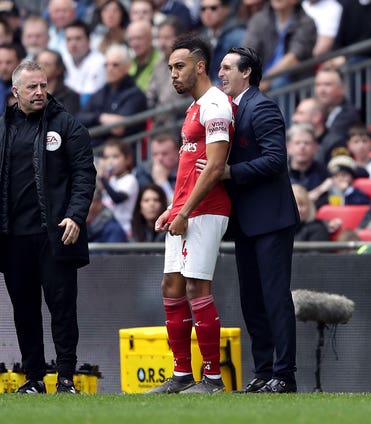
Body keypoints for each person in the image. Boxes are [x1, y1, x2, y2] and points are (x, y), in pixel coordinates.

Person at [0, 60, 96, 394]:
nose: (40, 92)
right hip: (13, 238)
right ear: (15, 92)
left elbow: (85, 175)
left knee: (62, 310)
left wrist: (75, 214)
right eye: (32, 87)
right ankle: (34, 379)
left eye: (44, 85)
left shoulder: (68, 126)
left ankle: (67, 379)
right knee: (24, 312)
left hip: (55, 235)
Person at [145, 36, 233, 395]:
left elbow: (214, 167)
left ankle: (212, 379)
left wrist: (187, 210)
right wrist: (173, 207)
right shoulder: (195, 107)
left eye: (178, 67)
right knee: (171, 285)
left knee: (197, 286)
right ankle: (182, 374)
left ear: (200, 66)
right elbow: (190, 167)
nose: (173, 75)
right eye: (169, 69)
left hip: (206, 209)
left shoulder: (216, 104)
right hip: (185, 209)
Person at [216, 46, 300, 393]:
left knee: (275, 297)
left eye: (226, 67)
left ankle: (285, 373)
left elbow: (276, 160)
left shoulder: (261, 106)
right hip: (247, 222)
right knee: (252, 299)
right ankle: (264, 370)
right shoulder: (230, 109)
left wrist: (229, 171)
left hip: (271, 219)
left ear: (247, 72)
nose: (220, 74)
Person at [97, 138, 139, 235]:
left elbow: (117, 198)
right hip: (106, 226)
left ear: (127, 159)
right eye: (106, 157)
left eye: (115, 157)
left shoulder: (130, 179)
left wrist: (102, 178)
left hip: (123, 229)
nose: (110, 161)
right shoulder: (111, 179)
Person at [134, 132, 180, 201]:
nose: (159, 158)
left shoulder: (185, 172)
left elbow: (178, 206)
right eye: (155, 154)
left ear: (177, 153)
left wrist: (163, 183)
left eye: (164, 154)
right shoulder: (143, 171)